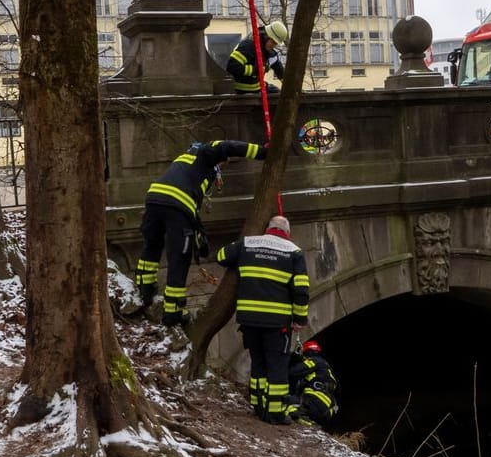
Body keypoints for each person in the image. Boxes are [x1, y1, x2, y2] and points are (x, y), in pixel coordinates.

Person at [136, 140, 266, 327]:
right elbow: (225, 146)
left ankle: (145, 290)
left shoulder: (184, 161)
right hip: (177, 205)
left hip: (154, 200)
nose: (223, 163)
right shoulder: (204, 154)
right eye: (223, 162)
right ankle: (173, 313)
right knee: (179, 257)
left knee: (152, 246)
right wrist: (262, 152)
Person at [215, 215, 311, 424]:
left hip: (249, 319)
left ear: (267, 228)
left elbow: (221, 256)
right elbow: (301, 289)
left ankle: (259, 406)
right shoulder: (293, 252)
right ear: (287, 232)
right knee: (277, 366)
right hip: (277, 322)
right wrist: (300, 319)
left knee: (258, 362)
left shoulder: (248, 243)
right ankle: (275, 413)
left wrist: (239, 244)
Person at [227, 20, 288, 95]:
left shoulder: (270, 53)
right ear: (266, 36)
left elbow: (279, 70)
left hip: (259, 87)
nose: (274, 46)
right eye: (273, 42)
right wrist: (255, 69)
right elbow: (232, 67)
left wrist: (290, 87)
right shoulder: (247, 47)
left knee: (278, 94)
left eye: (276, 44)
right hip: (243, 90)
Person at [288, 340, 339, 427]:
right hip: (326, 407)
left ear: (306, 352)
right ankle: (306, 419)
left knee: (284, 402)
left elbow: (293, 372)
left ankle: (303, 419)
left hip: (316, 402)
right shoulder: (324, 367)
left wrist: (293, 359)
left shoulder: (315, 361)